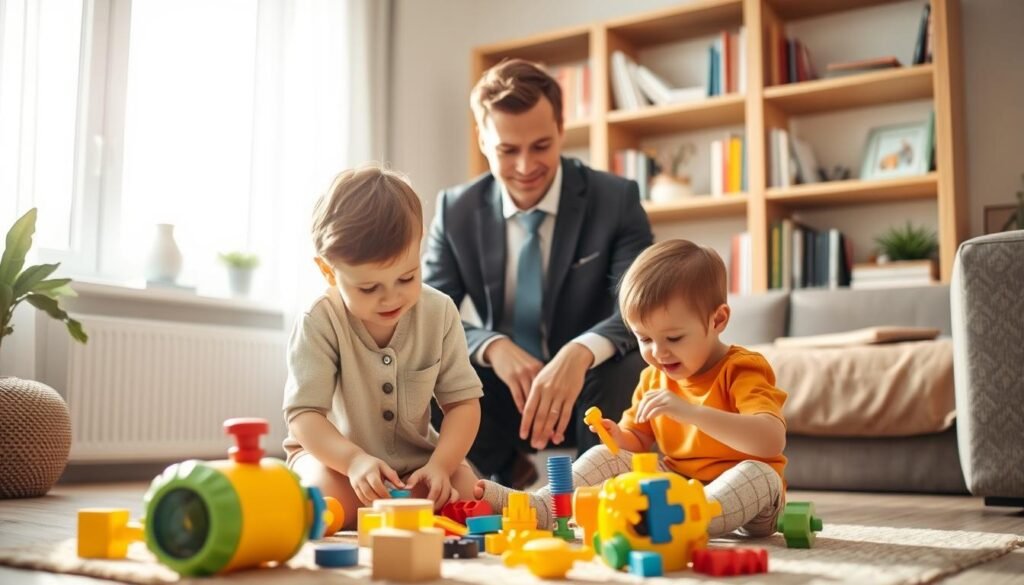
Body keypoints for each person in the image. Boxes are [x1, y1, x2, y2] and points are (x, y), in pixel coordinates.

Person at [423, 59, 654, 489]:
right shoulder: (455, 211)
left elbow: (642, 305)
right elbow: (428, 309)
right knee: (430, 367)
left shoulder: (616, 199)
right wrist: (491, 346)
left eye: (541, 146)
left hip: (589, 388)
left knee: (628, 365)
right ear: (483, 140)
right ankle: (486, 480)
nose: (526, 166)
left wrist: (580, 351)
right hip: (501, 393)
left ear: (562, 129)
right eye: (508, 150)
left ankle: (599, 490)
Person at [474, 239, 787, 537]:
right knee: (605, 454)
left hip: (751, 498)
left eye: (674, 338)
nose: (658, 353)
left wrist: (691, 413)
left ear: (718, 320)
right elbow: (636, 442)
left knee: (757, 473)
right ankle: (546, 506)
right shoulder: (654, 375)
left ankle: (680, 520)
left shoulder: (742, 368)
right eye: (645, 339)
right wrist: (616, 435)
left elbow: (770, 441)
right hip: (677, 490)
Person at [282, 166, 483, 525]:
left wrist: (440, 465)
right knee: (325, 503)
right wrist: (354, 461)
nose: (391, 297)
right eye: (369, 288)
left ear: (419, 244)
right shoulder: (319, 319)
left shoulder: (439, 311)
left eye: (407, 277)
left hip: (417, 463)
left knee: (466, 493)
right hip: (336, 462)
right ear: (329, 272)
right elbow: (304, 417)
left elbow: (463, 405)